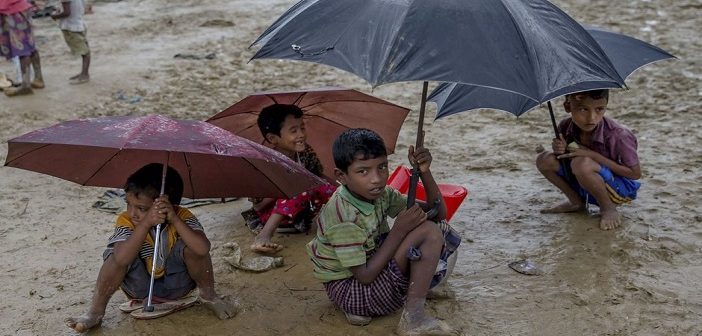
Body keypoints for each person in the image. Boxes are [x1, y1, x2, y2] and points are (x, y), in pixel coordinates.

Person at [307, 128, 460, 335]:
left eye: (382, 167)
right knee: (430, 233)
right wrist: (399, 229)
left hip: (372, 269)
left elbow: (438, 213)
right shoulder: (342, 215)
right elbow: (365, 276)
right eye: (363, 171)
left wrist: (424, 171)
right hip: (352, 290)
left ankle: (420, 291)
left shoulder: (382, 194)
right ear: (341, 176)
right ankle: (413, 317)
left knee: (439, 228)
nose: (376, 179)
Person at [66, 163, 238, 333]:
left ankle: (209, 296)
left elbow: (202, 249)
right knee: (114, 255)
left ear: (170, 206)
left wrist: (175, 220)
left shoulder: (182, 216)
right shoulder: (126, 220)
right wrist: (146, 222)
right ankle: (95, 312)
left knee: (192, 245)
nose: (132, 213)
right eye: (128, 204)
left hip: (179, 285)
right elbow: (122, 259)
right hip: (140, 289)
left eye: (141, 208)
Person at [536, 89, 641, 230]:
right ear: (567, 107)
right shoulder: (565, 127)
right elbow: (568, 157)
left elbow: (635, 174)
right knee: (544, 159)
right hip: (585, 182)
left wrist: (593, 155)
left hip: (617, 188)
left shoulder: (619, 135)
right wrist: (560, 150)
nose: (592, 118)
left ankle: (608, 209)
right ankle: (576, 202)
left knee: (582, 163)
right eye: (583, 109)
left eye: (599, 109)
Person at [248, 103, 336, 254]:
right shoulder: (267, 162)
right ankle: (264, 236)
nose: (301, 134)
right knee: (300, 188)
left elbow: (319, 177)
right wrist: (289, 183)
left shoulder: (305, 152)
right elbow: (258, 206)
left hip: (302, 213)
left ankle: (349, 217)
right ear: (273, 138)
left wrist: (343, 190)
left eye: (302, 128)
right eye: (293, 131)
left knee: (327, 188)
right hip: (272, 216)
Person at [0, 0, 44, 96]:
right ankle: (38, 78)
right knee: (29, 44)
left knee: (21, 48)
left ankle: (26, 85)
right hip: (21, 7)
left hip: (11, 11)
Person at [51, 0, 90, 84]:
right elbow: (82, 8)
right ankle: (84, 73)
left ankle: (85, 75)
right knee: (85, 50)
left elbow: (66, 12)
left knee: (84, 51)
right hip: (79, 23)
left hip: (71, 26)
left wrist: (54, 16)